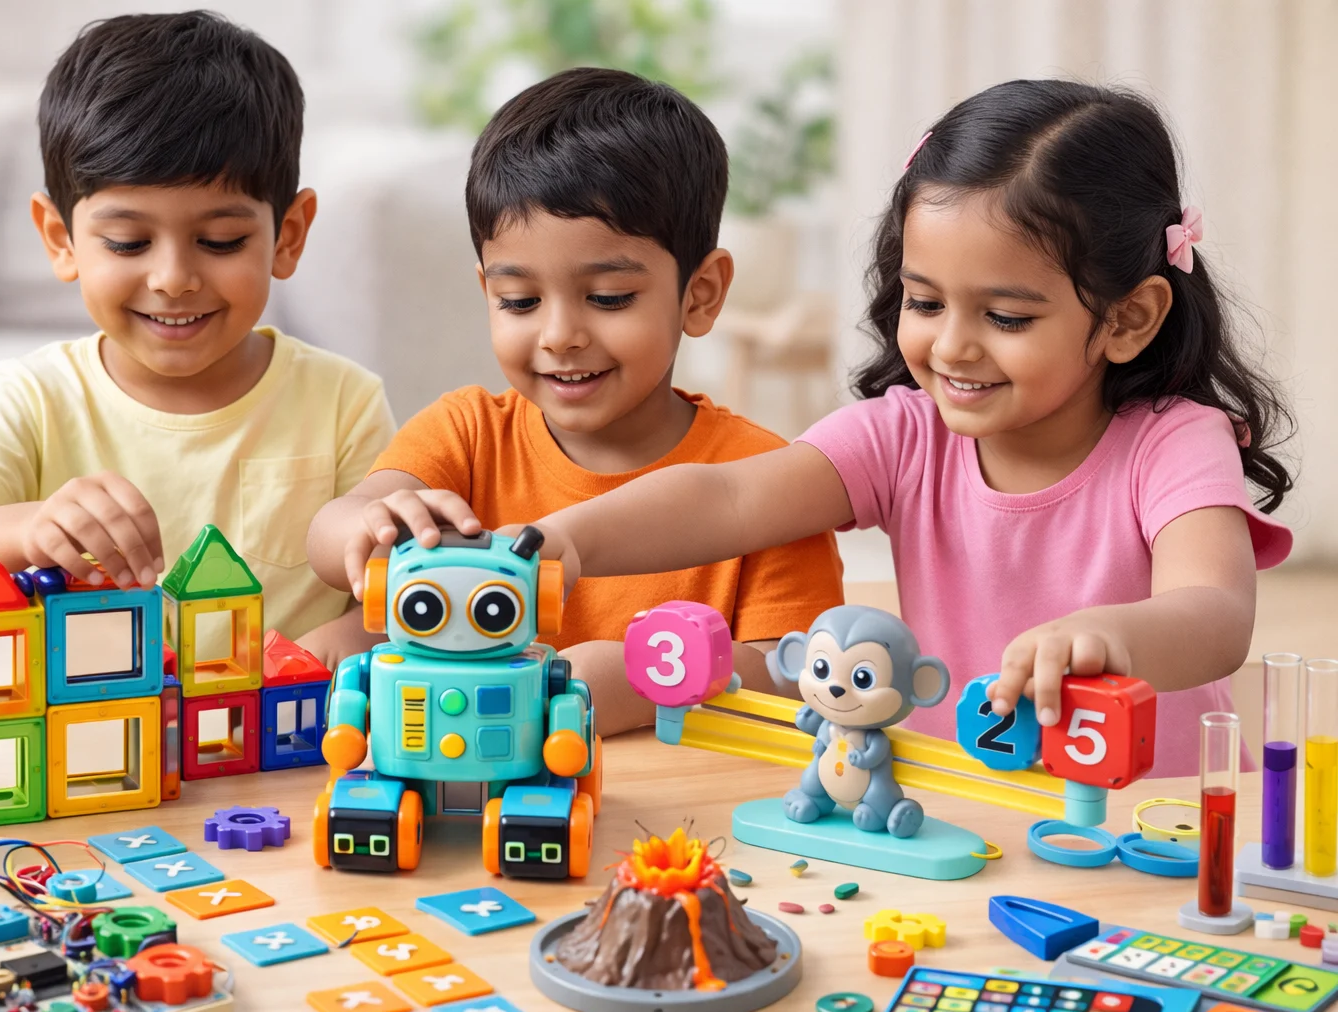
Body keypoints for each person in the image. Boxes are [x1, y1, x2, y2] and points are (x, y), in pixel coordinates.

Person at [529, 80, 1294, 776]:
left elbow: (1216, 616)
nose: (953, 345)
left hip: (1161, 820)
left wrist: (1109, 637)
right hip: (961, 801)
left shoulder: (1176, 441)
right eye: (924, 303)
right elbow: (728, 498)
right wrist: (569, 540)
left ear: (1128, 318)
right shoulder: (905, 437)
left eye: (1005, 317)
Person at [306, 68, 845, 735]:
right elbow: (334, 538)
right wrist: (368, 526)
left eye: (609, 298)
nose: (560, 336)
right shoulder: (467, 432)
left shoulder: (766, 481)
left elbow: (803, 676)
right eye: (521, 301)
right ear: (486, 293)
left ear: (700, 295)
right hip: (465, 791)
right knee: (326, 650)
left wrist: (643, 681)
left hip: (674, 812)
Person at [0, 12, 395, 660]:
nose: (173, 279)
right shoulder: (33, 397)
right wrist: (29, 527)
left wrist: (310, 662)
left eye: (221, 241)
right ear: (61, 240)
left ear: (288, 236)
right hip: (90, 745)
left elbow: (394, 598)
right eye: (128, 242)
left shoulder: (344, 402)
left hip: (277, 749)